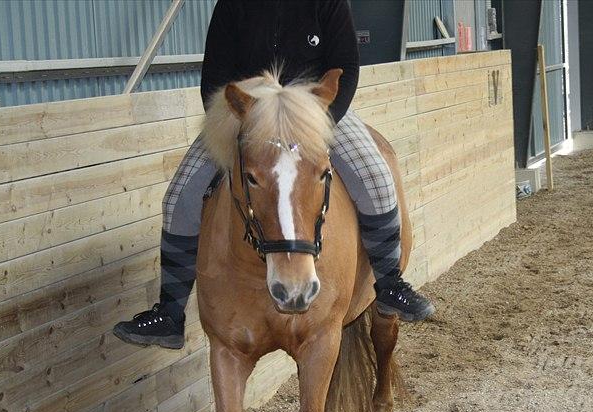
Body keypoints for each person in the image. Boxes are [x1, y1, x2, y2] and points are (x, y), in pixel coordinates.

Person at [113, 0, 434, 350]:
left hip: (312, 114)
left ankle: (389, 286)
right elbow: (214, 79)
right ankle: (170, 313)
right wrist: (240, 124)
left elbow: (347, 69)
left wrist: (317, 125)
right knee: (179, 197)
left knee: (374, 176)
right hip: (250, 119)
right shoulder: (232, 5)